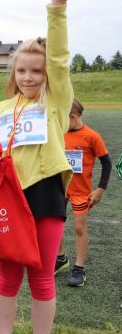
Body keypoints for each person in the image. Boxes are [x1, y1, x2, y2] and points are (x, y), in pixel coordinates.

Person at [0, 0, 82, 333]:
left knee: (42, 278)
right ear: (13, 72)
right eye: (21, 70)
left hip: (46, 194)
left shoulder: (54, 102)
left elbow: (59, 59)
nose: (29, 77)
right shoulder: (0, 108)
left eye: (36, 71)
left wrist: (57, 7)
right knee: (7, 277)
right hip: (8, 195)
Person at [54, 98, 112, 287]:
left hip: (81, 192)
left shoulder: (92, 136)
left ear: (72, 116)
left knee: (79, 227)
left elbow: (107, 163)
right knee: (55, 225)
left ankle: (79, 268)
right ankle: (61, 258)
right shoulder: (59, 133)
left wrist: (100, 189)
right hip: (59, 189)